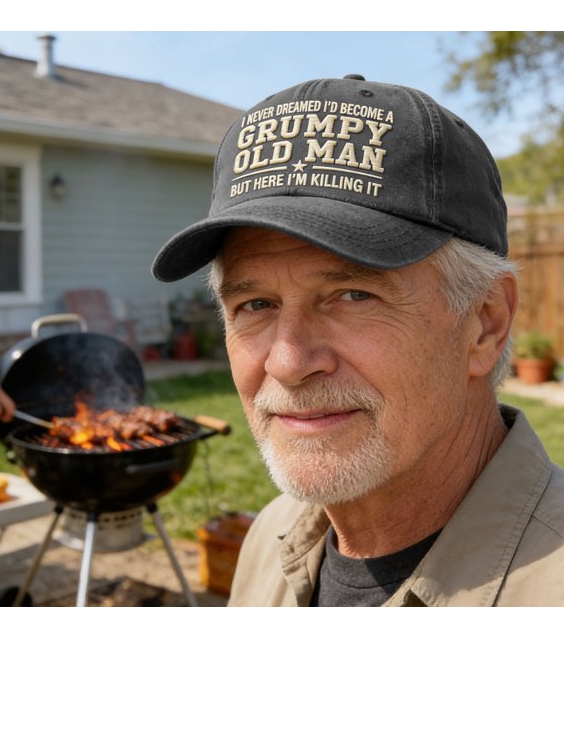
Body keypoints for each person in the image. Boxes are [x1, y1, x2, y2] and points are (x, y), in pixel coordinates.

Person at [153, 74, 564, 606]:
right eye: (255, 305)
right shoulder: (271, 536)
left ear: (485, 323)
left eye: (352, 296)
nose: (288, 361)